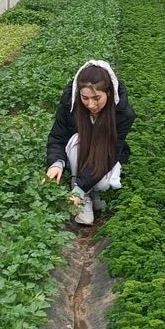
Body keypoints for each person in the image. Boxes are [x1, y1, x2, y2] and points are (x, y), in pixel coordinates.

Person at [45, 60, 135, 226]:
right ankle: (85, 195)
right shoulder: (70, 104)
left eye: (96, 98)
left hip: (105, 154)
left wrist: (79, 190)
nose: (91, 105)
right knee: (77, 139)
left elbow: (109, 153)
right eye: (84, 98)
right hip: (78, 151)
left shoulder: (122, 113)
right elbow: (58, 137)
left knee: (103, 183)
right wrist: (56, 163)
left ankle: (86, 190)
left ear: (109, 93)